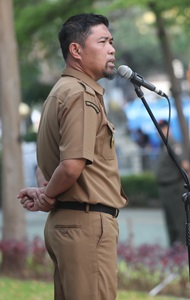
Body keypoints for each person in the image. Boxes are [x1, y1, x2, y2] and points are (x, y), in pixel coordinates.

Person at [16, 13, 127, 299]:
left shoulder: (60, 91)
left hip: (68, 223)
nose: (111, 48)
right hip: (86, 225)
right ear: (75, 50)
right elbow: (71, 165)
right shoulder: (80, 94)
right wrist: (48, 197)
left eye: (111, 42)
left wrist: (46, 193)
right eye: (102, 41)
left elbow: (46, 166)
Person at [155, 120, 190, 246]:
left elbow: (184, 165)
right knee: (170, 221)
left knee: (178, 221)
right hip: (165, 189)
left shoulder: (173, 144)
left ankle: (181, 250)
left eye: (163, 128)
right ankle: (173, 249)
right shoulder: (162, 145)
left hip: (175, 187)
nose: (160, 132)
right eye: (159, 129)